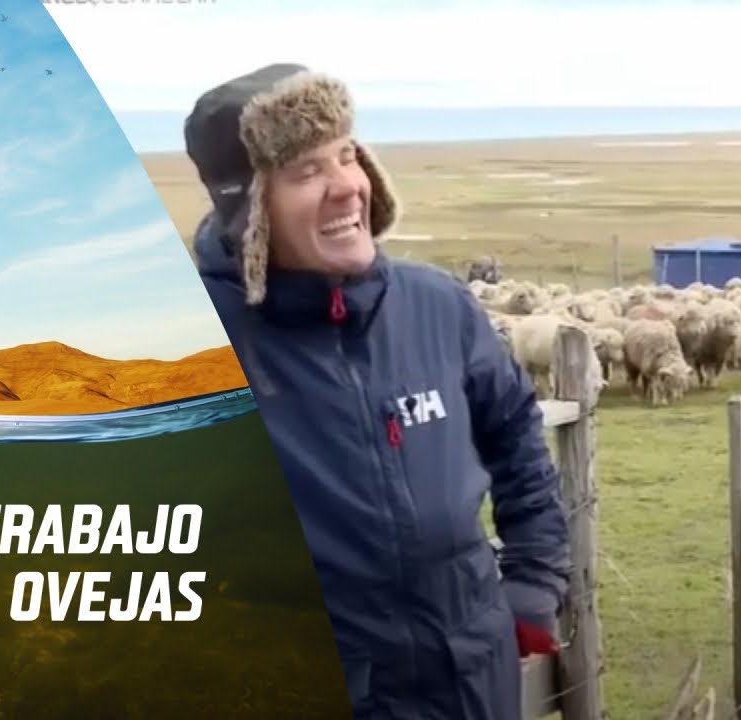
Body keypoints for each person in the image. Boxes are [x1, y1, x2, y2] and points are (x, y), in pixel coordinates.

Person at [182, 63, 572, 719]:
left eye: (347, 156)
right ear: (249, 208)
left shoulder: (437, 309)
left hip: (472, 679)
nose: (346, 187)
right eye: (307, 171)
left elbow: (513, 432)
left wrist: (533, 579)